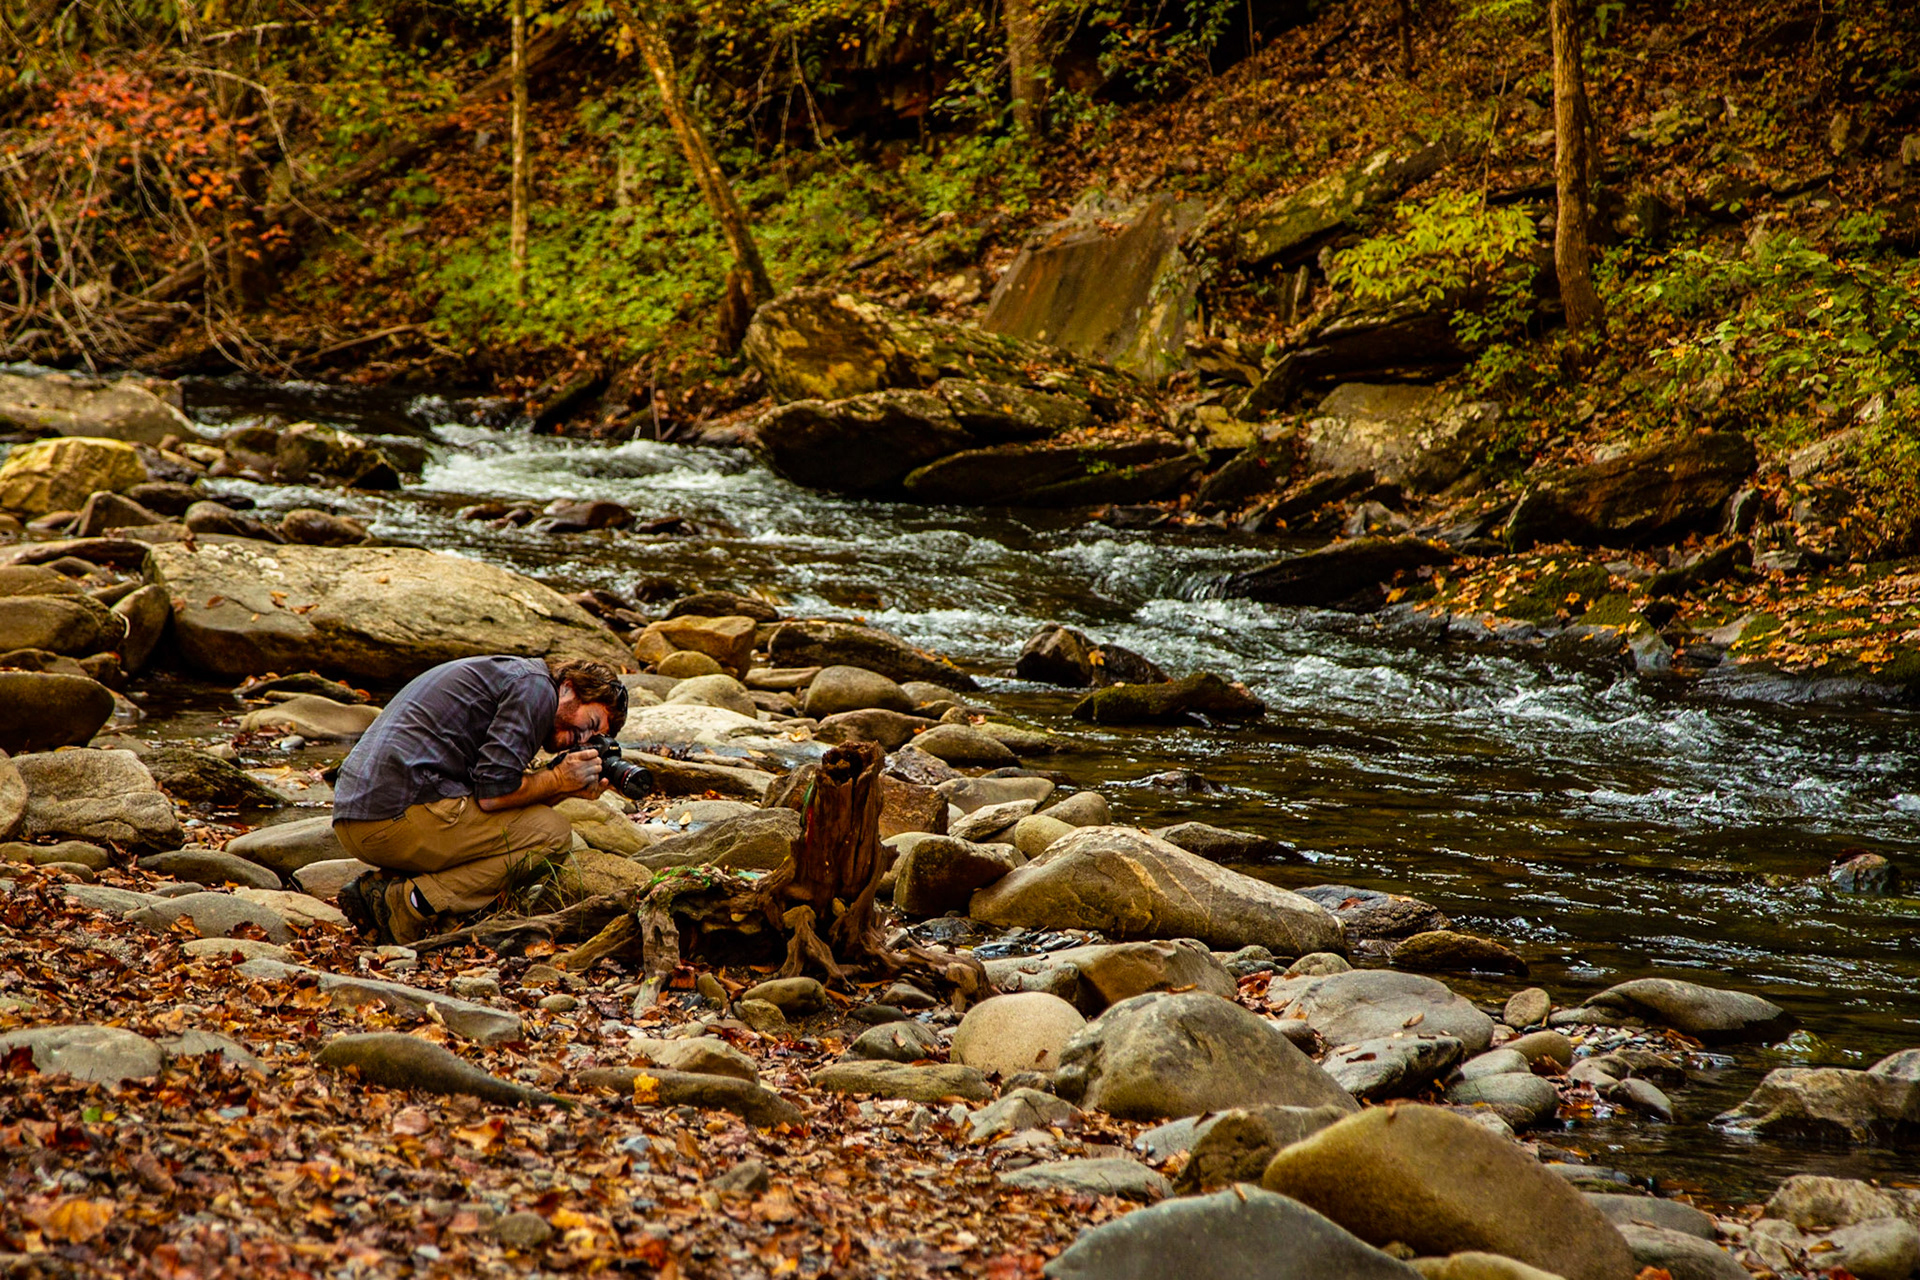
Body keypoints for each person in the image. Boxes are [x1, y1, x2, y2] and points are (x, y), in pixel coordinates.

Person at [332, 655, 629, 946]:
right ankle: (410, 903)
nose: (582, 739)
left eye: (592, 739)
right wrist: (556, 780)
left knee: (529, 826)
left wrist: (565, 789)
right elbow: (494, 795)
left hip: (357, 818)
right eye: (589, 723)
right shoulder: (536, 690)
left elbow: (498, 802)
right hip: (395, 818)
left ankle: (383, 888)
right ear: (570, 687)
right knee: (553, 834)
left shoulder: (512, 677)